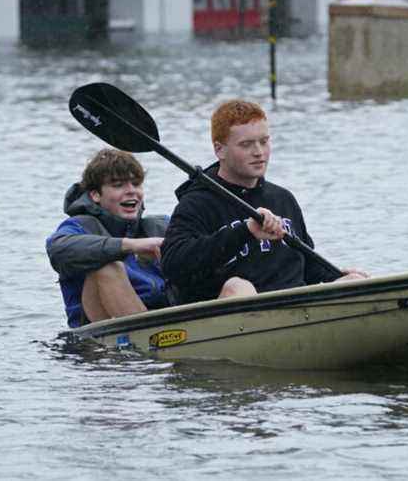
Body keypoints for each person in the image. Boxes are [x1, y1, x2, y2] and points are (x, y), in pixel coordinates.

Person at [161, 99, 367, 305]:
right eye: (246, 144)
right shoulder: (196, 203)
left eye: (264, 141)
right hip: (234, 316)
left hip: (297, 306)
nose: (259, 152)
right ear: (219, 150)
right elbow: (172, 265)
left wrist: (337, 276)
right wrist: (244, 232)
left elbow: (308, 267)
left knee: (354, 281)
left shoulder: (283, 198)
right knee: (238, 287)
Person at [46, 148, 169, 328]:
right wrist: (131, 245)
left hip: (170, 319)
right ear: (95, 195)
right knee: (108, 266)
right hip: (98, 336)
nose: (131, 191)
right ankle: (145, 338)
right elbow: (57, 248)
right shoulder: (79, 226)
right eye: (118, 185)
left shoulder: (161, 226)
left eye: (136, 184)